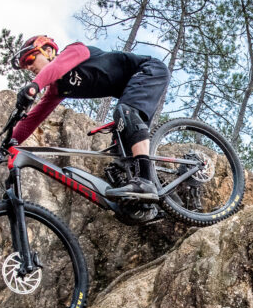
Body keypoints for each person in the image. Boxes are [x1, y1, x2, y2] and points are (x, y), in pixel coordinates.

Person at [10, 35, 170, 201]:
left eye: (30, 59)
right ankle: (151, 200)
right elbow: (32, 120)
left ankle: (145, 181)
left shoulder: (74, 50)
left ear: (48, 51)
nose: (29, 67)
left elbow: (56, 67)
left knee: (126, 113)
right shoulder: (57, 89)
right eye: (25, 66)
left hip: (149, 70)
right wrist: (7, 144)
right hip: (130, 90)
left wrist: (35, 86)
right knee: (119, 155)